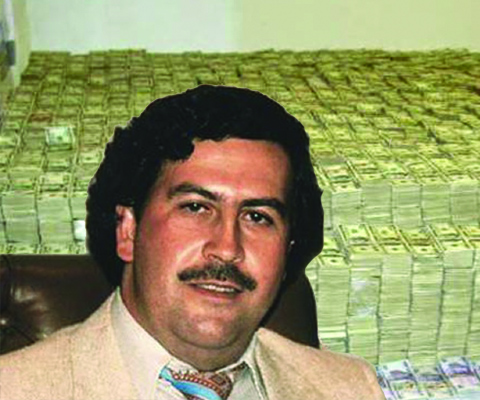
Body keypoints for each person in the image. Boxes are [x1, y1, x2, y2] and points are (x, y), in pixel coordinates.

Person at [0, 85, 385, 399]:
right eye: (196, 208)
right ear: (128, 230)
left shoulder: (351, 389)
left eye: (257, 217)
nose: (227, 248)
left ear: (287, 252)